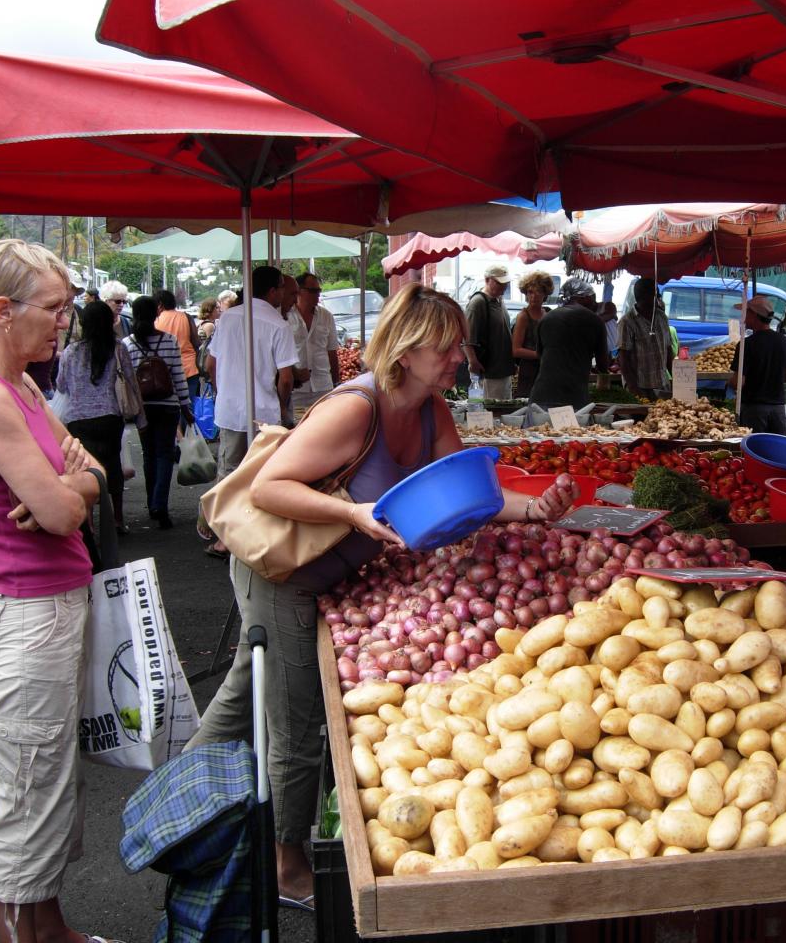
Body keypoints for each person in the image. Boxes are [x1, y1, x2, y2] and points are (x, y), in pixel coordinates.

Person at [187, 282, 578, 908]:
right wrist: (356, 513)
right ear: (407, 349)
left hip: (336, 573)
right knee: (298, 719)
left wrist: (536, 508)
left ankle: (181, 798)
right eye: (446, 348)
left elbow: (468, 497)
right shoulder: (355, 409)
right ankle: (288, 865)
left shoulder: (433, 410)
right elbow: (268, 488)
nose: (459, 358)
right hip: (286, 574)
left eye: (460, 347)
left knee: (246, 690)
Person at [0, 239, 106, 943]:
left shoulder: (25, 386)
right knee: (27, 791)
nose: (64, 322)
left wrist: (69, 481)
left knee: (48, 785)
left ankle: (51, 928)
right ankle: (24, 934)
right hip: (26, 618)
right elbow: (68, 512)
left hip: (49, 608)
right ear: (3, 311)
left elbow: (90, 477)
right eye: (55, 309)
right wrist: (68, 491)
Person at [203, 266, 298, 556]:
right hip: (264, 413)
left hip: (231, 409)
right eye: (282, 287)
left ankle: (223, 537)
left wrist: (224, 392)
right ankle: (254, 536)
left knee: (230, 473)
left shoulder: (228, 318)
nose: (283, 293)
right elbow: (286, 377)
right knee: (260, 474)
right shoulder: (278, 325)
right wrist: (282, 405)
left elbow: (210, 365)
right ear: (272, 290)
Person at [56, 299, 141, 533]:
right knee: (112, 465)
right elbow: (131, 381)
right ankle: (117, 519)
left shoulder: (71, 351)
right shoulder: (117, 347)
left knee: (85, 469)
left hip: (77, 420)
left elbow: (61, 385)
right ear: (109, 321)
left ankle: (90, 523)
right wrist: (140, 416)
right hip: (109, 417)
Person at [124, 295, 193, 530]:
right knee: (165, 454)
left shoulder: (127, 344)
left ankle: (150, 501)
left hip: (143, 407)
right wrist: (185, 406)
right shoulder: (169, 341)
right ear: (156, 314)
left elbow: (127, 382)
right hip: (168, 405)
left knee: (148, 454)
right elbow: (178, 377)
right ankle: (160, 505)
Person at [530, 277, 609, 410]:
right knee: (571, 431)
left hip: (542, 396)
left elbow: (540, 354)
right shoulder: (595, 321)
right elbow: (603, 365)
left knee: (540, 431)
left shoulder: (546, 319)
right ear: (582, 297)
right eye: (592, 296)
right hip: (575, 398)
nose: (594, 302)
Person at [730, 295, 786, 434]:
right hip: (778, 409)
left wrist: (729, 384)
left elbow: (738, 382)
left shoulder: (746, 345)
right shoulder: (783, 341)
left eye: (746, 312)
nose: (744, 316)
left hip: (754, 410)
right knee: (776, 451)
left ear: (754, 315)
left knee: (755, 451)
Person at [288, 272, 340, 416]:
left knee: (324, 430)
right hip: (298, 390)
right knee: (299, 429)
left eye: (319, 291)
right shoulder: (286, 316)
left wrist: (336, 383)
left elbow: (332, 352)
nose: (318, 294)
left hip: (323, 386)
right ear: (299, 291)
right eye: (313, 291)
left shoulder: (326, 316)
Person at [464, 263, 515, 400]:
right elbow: (467, 337)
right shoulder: (478, 302)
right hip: (489, 373)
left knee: (502, 413)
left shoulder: (499, 300)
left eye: (505, 283)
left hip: (503, 371)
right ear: (487, 280)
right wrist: (472, 361)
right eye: (499, 283)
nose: (504, 287)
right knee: (490, 414)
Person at [618, 276, 674, 400]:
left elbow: (668, 350)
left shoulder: (662, 317)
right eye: (656, 295)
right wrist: (633, 388)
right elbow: (623, 359)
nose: (659, 299)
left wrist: (676, 379)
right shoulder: (627, 322)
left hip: (662, 385)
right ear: (644, 297)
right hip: (639, 386)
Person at [154, 288, 202, 399]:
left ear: (160, 304)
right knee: (189, 406)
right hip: (189, 369)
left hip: (164, 370)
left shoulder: (155, 320)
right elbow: (196, 342)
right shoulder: (186, 317)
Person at [512, 270, 550, 397]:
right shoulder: (523, 316)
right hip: (529, 370)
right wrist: (541, 354)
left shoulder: (547, 314)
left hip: (545, 369)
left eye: (539, 291)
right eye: (530, 292)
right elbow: (516, 350)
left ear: (545, 294)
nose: (534, 296)